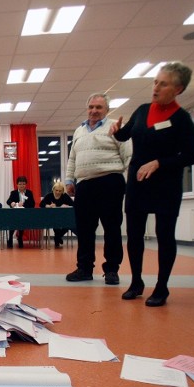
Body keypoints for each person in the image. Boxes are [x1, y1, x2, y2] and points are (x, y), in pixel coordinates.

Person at [110, 62, 194, 307]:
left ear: (178, 89)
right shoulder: (142, 110)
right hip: (138, 182)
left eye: (164, 83)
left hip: (166, 185)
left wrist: (159, 162)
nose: (156, 87)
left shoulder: (182, 120)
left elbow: (191, 156)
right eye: (156, 82)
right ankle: (136, 282)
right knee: (135, 234)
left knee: (164, 235)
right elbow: (126, 134)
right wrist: (116, 131)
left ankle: (161, 287)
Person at [65, 93, 132, 285]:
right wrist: (70, 180)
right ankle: (84, 268)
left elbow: (128, 155)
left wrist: (131, 182)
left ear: (107, 110)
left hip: (110, 182)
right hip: (84, 185)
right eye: (91, 107)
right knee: (84, 229)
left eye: (99, 107)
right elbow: (72, 158)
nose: (94, 111)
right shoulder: (79, 131)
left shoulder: (115, 127)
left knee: (112, 228)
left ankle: (112, 270)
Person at [39, 181, 74, 248]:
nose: (58, 192)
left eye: (60, 191)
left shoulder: (65, 196)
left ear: (63, 191)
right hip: (51, 218)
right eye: (56, 190)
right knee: (56, 224)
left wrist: (66, 205)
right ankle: (58, 238)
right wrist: (48, 206)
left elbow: (73, 204)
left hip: (63, 218)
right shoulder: (49, 196)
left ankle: (57, 237)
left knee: (68, 225)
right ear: (53, 189)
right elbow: (41, 204)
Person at [6, 175, 35, 248]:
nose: (22, 186)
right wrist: (12, 203)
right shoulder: (13, 193)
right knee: (13, 221)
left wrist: (24, 206)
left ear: (26, 184)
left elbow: (32, 204)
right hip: (15, 214)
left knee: (22, 220)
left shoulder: (29, 193)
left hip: (25, 214)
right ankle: (10, 238)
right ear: (17, 184)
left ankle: (20, 237)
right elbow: (8, 201)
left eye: (23, 184)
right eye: (20, 184)